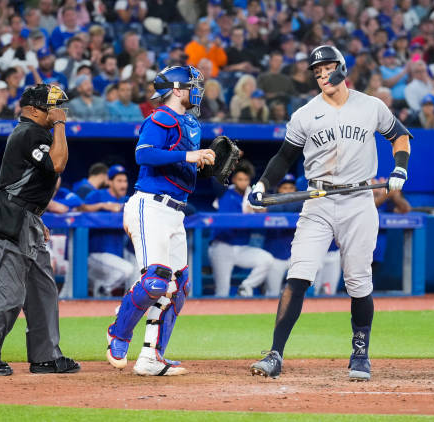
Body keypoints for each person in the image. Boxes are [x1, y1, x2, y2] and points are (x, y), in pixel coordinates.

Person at [248, 45, 412, 381]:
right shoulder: (306, 114)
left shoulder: (371, 106)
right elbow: (283, 157)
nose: (322, 74)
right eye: (317, 71)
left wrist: (400, 168)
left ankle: (360, 354)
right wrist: (263, 184)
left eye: (327, 68)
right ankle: (275, 354)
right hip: (318, 199)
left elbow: (400, 137)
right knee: (299, 275)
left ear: (341, 68)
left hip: (357, 199)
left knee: (357, 280)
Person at [106, 65, 215, 376]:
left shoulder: (191, 123)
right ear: (177, 89)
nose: (198, 89)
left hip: (175, 210)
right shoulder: (160, 117)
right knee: (156, 280)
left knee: (178, 286)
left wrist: (203, 164)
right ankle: (119, 331)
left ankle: (151, 358)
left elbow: (182, 165)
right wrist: (188, 157)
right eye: (192, 85)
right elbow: (144, 154)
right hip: (149, 205)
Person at [0, 84, 80, 376]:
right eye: (49, 108)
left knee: (43, 291)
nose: (56, 112)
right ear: (30, 109)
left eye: (58, 108)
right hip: (10, 218)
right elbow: (57, 163)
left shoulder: (39, 133)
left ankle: (45, 357)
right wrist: (60, 125)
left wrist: (36, 217)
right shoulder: (28, 132)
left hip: (26, 217)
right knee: (11, 293)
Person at [208, 161, 274, 297]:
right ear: (234, 179)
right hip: (222, 247)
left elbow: (266, 213)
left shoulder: (253, 197)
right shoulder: (224, 192)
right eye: (240, 179)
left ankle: (246, 286)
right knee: (222, 292)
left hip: (242, 247)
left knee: (266, 259)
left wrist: (258, 209)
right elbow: (215, 177)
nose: (243, 182)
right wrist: (228, 160)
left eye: (246, 179)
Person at [84, 165, 135, 296]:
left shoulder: (127, 201)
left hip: (115, 258)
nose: (123, 185)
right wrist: (102, 206)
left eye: (125, 181)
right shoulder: (97, 195)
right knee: (127, 269)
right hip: (94, 254)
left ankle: (100, 295)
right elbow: (80, 209)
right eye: (119, 181)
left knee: (133, 273)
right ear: (109, 182)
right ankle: (103, 288)